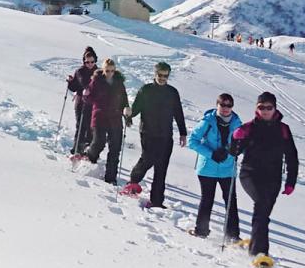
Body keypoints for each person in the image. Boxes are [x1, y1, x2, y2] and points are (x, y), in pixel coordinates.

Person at [231, 91, 299, 262]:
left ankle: (256, 242)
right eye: (262, 107)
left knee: (264, 213)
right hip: (250, 174)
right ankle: (259, 253)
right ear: (257, 108)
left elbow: (292, 156)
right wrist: (235, 139)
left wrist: (291, 181)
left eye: (269, 107)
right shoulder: (249, 128)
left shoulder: (283, 130)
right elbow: (234, 153)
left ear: (275, 109)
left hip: (273, 178)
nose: (265, 111)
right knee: (261, 204)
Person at [124, 62, 188, 207]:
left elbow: (178, 113)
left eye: (165, 76)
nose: (162, 78)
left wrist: (183, 133)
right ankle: (133, 182)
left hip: (166, 135)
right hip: (148, 132)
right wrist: (128, 114)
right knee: (147, 159)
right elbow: (136, 109)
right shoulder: (146, 90)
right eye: (160, 75)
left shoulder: (172, 92)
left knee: (162, 167)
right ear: (155, 74)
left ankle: (157, 201)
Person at [187, 93, 242, 239]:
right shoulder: (208, 121)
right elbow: (192, 141)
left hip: (227, 169)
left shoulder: (237, 124)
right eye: (222, 105)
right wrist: (211, 154)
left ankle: (233, 235)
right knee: (207, 199)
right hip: (207, 168)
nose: (225, 108)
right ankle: (201, 230)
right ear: (217, 105)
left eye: (229, 105)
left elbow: (242, 144)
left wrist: (232, 151)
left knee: (231, 201)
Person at [84, 59, 129, 184]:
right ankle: (90, 157)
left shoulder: (119, 83)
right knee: (99, 142)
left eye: (112, 71)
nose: (110, 73)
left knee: (115, 147)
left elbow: (124, 98)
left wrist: (126, 109)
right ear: (103, 70)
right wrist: (86, 95)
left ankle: (110, 178)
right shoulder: (97, 81)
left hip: (115, 118)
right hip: (100, 117)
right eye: (107, 70)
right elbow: (89, 97)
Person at [65, 48, 98, 157]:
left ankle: (86, 148)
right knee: (81, 125)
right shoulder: (80, 71)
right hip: (81, 102)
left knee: (91, 127)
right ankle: (76, 150)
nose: (90, 64)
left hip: (93, 103)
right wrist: (70, 82)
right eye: (87, 62)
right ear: (84, 61)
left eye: (92, 62)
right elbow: (75, 87)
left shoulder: (99, 72)